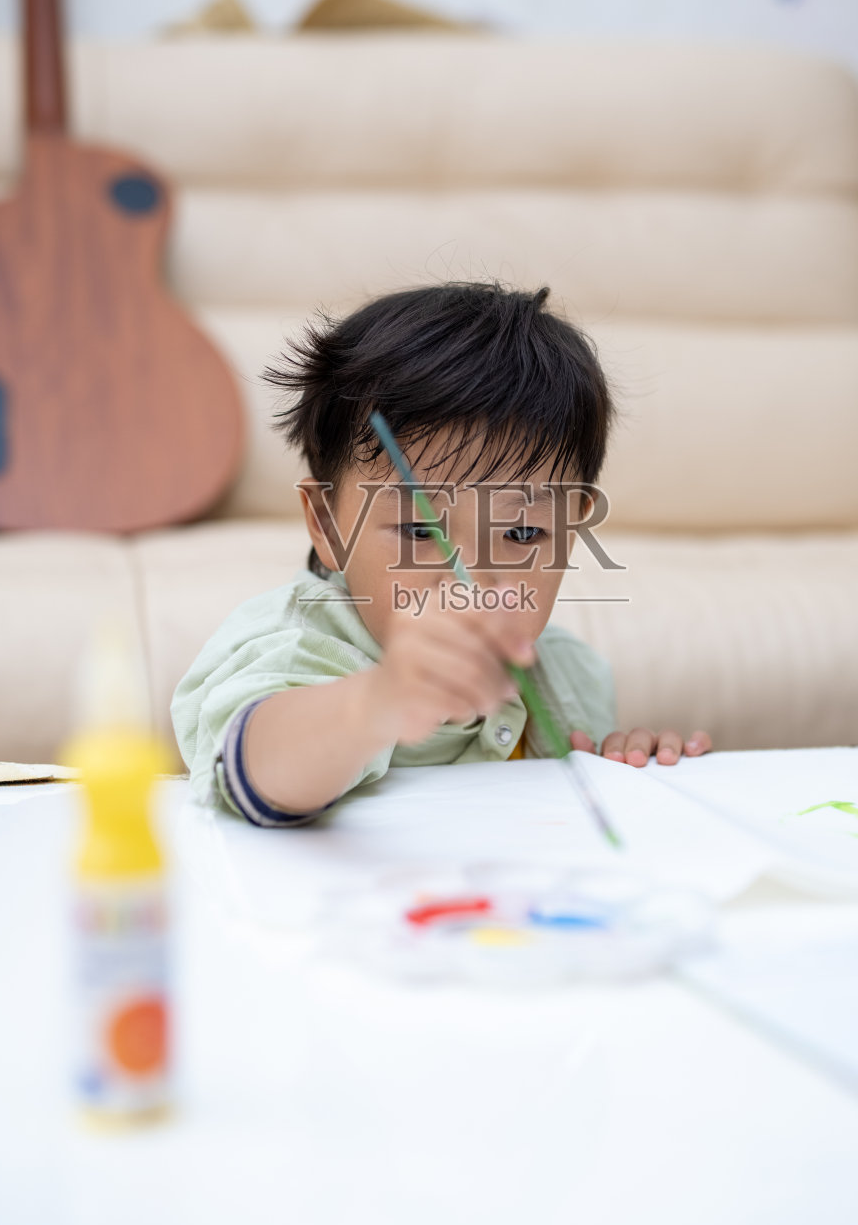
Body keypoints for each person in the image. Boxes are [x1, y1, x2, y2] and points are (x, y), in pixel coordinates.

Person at [172, 283, 711, 824]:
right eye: (418, 529)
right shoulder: (296, 643)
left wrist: (618, 766)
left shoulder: (566, 673)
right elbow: (262, 771)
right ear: (328, 525)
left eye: (523, 534)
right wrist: (377, 703)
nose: (472, 579)